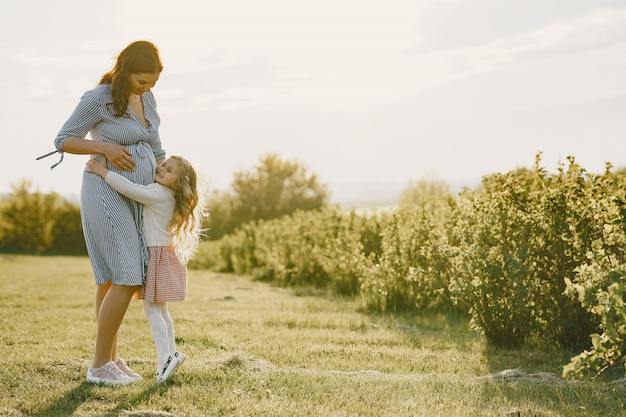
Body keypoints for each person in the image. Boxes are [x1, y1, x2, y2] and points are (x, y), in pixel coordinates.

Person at [52, 40, 165, 385]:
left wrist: (169, 191)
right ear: (125, 70)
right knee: (129, 276)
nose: (147, 89)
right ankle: (99, 366)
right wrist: (105, 148)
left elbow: (156, 148)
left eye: (153, 83)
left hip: (137, 197)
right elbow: (64, 139)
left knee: (112, 278)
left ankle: (110, 360)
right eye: (142, 81)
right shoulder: (98, 97)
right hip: (105, 192)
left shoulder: (147, 99)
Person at [86, 155, 203, 383]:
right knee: (161, 311)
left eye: (169, 170)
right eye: (163, 165)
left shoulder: (158, 193)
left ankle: (164, 361)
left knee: (152, 311)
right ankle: (172, 354)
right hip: (165, 254)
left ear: (177, 183)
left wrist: (103, 172)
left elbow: (130, 189)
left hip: (156, 256)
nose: (161, 169)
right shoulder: (168, 194)